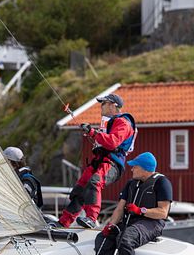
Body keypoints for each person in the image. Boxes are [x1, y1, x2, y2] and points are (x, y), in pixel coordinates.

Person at [94, 152, 172, 255]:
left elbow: (163, 212)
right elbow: (119, 209)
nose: (131, 169)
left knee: (125, 238)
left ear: (144, 168)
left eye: (134, 167)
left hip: (151, 222)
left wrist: (140, 210)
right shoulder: (131, 184)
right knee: (102, 239)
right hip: (130, 221)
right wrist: (110, 225)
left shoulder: (162, 183)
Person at [58, 94, 136, 228]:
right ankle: (63, 222)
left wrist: (93, 133)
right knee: (80, 189)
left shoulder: (123, 123)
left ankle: (91, 219)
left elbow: (112, 142)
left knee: (95, 182)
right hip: (100, 160)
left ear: (113, 105)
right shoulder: (112, 122)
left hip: (112, 163)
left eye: (103, 103)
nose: (101, 106)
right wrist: (92, 133)